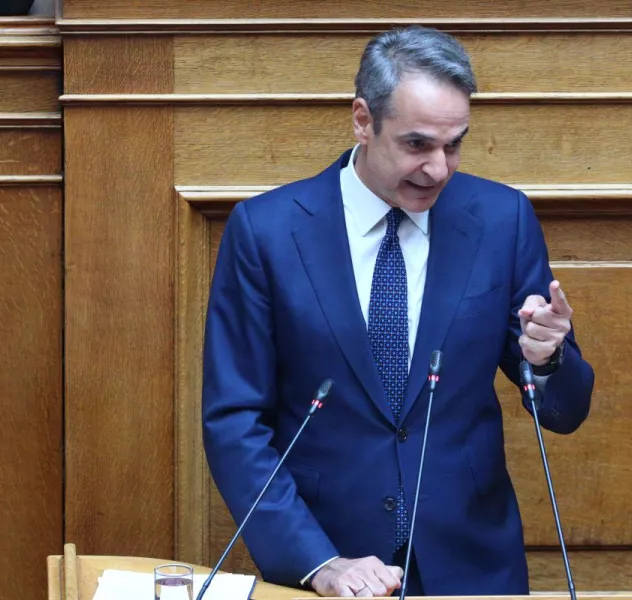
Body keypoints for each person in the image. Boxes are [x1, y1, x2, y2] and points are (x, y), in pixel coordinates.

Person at [202, 25, 594, 598]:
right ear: (363, 120)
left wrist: (549, 359)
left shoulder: (501, 219)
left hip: (473, 566)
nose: (438, 168)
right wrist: (317, 561)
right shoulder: (267, 232)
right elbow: (235, 421)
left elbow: (563, 412)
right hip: (331, 565)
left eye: (454, 145)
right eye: (417, 145)